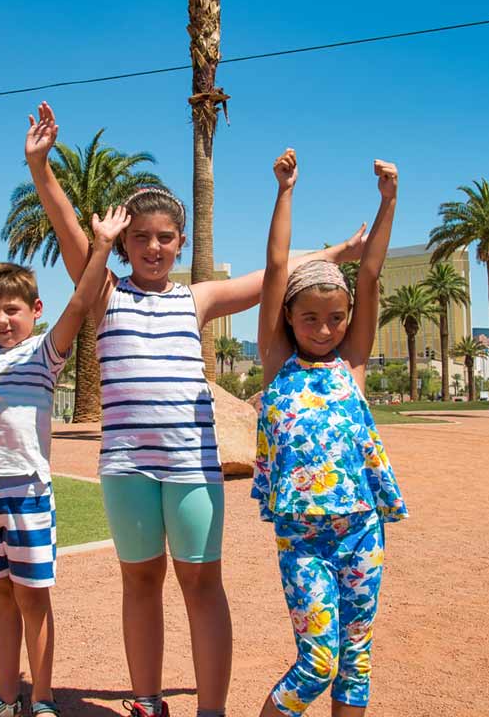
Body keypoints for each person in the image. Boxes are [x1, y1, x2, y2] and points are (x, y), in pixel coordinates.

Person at [25, 103, 365, 717]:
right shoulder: (102, 291)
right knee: (140, 583)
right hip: (127, 468)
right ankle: (148, 701)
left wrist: (339, 248)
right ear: (123, 243)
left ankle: (212, 711)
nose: (152, 247)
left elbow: (276, 275)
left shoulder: (197, 298)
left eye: (164, 237)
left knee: (203, 585)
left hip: (192, 468)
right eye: (140, 237)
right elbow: (68, 230)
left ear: (180, 242)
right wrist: (41, 167)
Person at [0, 183, 128, 717]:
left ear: (34, 310)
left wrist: (102, 247)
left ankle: (41, 700)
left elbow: (80, 301)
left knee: (32, 598)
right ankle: (4, 696)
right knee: (0, 596)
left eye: (13, 311)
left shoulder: (44, 355)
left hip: (26, 492)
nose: (1, 321)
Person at [252, 150, 407, 717]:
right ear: (289, 319)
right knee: (318, 659)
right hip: (304, 539)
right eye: (310, 318)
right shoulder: (276, 363)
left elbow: (369, 273)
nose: (325, 328)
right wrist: (286, 191)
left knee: (355, 659)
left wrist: (388, 203)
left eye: (336, 318)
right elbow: (274, 269)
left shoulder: (353, 363)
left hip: (362, 530)